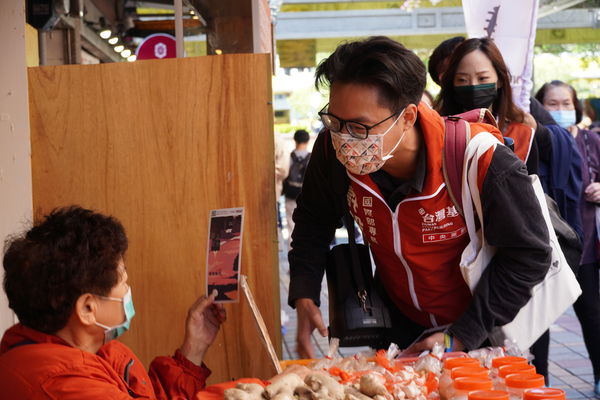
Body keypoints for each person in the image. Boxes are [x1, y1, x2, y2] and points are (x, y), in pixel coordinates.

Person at [288, 36, 551, 359]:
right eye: (334, 121)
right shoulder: (333, 151)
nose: (344, 139)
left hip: (480, 328)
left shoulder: (480, 158)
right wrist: (305, 293)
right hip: (399, 324)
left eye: (360, 127)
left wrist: (460, 336)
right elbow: (313, 220)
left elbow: (530, 254)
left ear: (408, 117)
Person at [0, 206, 226, 399]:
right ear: (88, 308)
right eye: (123, 282)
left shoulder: (83, 351)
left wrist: (194, 347)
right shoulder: (63, 385)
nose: (128, 291)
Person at [434, 37, 559, 381]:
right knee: (460, 366)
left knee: (526, 364)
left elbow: (533, 197)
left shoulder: (524, 130)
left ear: (501, 78)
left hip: (517, 262)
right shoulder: (439, 130)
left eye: (482, 77)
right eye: (462, 80)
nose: (473, 87)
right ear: (449, 83)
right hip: (461, 263)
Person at [536, 80, 600, 394]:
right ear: (539, 106)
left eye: (566, 104)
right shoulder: (535, 141)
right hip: (543, 246)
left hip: (584, 245)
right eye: (552, 104)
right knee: (538, 321)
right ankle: (540, 383)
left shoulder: (591, 140)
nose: (561, 110)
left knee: (592, 313)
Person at [283, 129, 311, 239]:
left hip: (290, 194)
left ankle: (292, 253)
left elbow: (284, 173)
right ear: (308, 141)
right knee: (308, 225)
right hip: (306, 195)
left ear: (295, 140)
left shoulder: (289, 157)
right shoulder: (312, 158)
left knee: (291, 225)